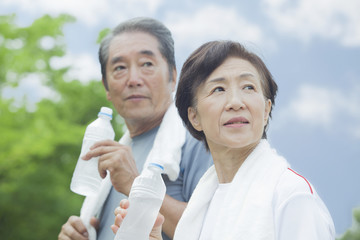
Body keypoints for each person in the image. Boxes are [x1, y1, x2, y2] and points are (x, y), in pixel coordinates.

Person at [112, 40, 336, 239]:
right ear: (194, 116)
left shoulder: (291, 196)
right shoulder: (204, 204)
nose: (236, 102)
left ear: (266, 110)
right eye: (218, 89)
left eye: (248, 87)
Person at [58, 17, 212, 240]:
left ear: (173, 76)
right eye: (120, 68)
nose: (133, 79)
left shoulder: (201, 139)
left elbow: (217, 228)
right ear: (107, 87)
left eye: (147, 64)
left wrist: (133, 184)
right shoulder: (113, 154)